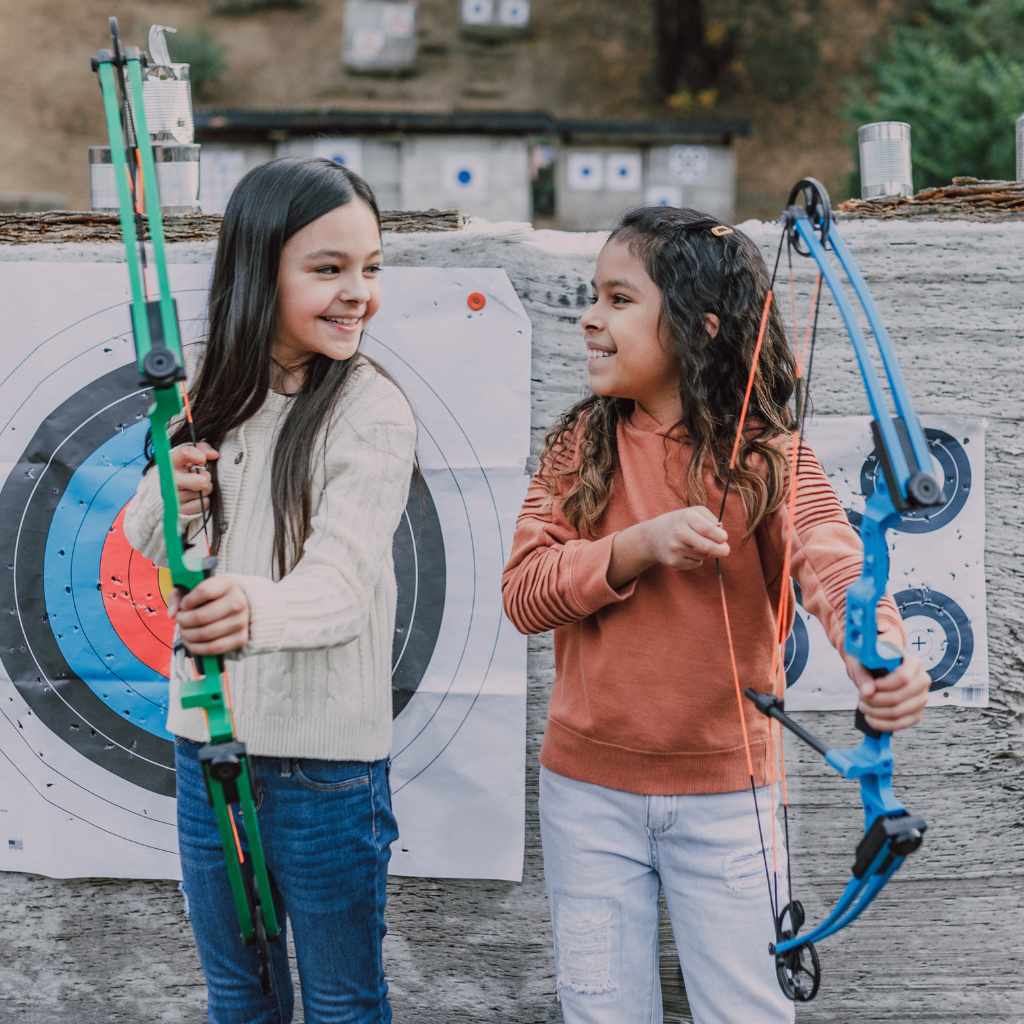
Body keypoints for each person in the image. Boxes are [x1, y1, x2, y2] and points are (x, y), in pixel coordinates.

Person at [501, 206, 930, 1023]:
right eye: (593, 296)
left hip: (729, 804)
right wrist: (636, 547)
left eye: (619, 299)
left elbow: (833, 559)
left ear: (698, 329)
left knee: (747, 1011)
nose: (590, 317)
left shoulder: (767, 454)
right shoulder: (580, 447)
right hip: (586, 798)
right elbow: (524, 592)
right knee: (600, 1010)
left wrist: (879, 653)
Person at [124, 158, 416, 1024]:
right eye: (328, 268)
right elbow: (153, 539)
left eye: (370, 268)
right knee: (239, 998)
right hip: (206, 748)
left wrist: (249, 609)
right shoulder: (209, 385)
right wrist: (170, 490)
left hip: (326, 773)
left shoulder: (371, 410)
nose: (357, 292)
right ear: (258, 271)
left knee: (342, 1004)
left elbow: (342, 587)